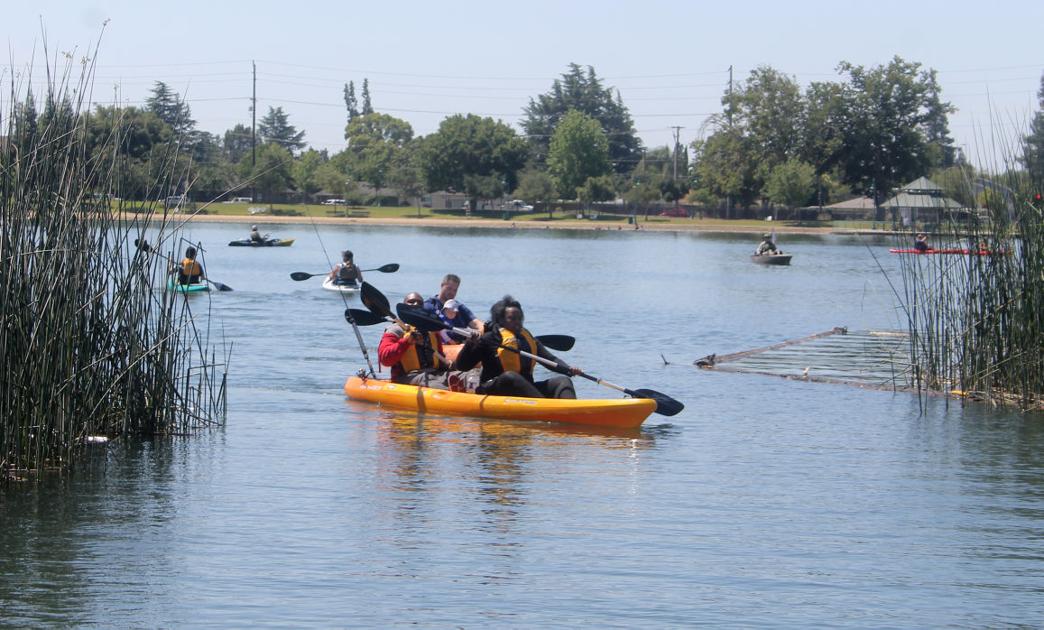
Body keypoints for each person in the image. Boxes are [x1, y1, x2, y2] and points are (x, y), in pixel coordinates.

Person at [452, 295, 581, 399]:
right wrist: (470, 344)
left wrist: (568, 369)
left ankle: (572, 412)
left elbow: (550, 360)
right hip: (494, 390)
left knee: (563, 381)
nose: (517, 322)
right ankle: (544, 408)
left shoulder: (527, 338)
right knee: (510, 377)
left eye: (519, 318)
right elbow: (462, 366)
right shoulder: (488, 339)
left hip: (527, 391)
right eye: (512, 319)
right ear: (501, 320)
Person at [378, 292, 450, 389]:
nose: (416, 304)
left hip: (435, 374)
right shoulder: (395, 330)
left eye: (419, 303)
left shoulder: (432, 331)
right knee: (426, 379)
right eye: (411, 302)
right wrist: (406, 342)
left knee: (465, 375)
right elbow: (384, 359)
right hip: (407, 377)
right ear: (404, 306)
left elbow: (440, 360)